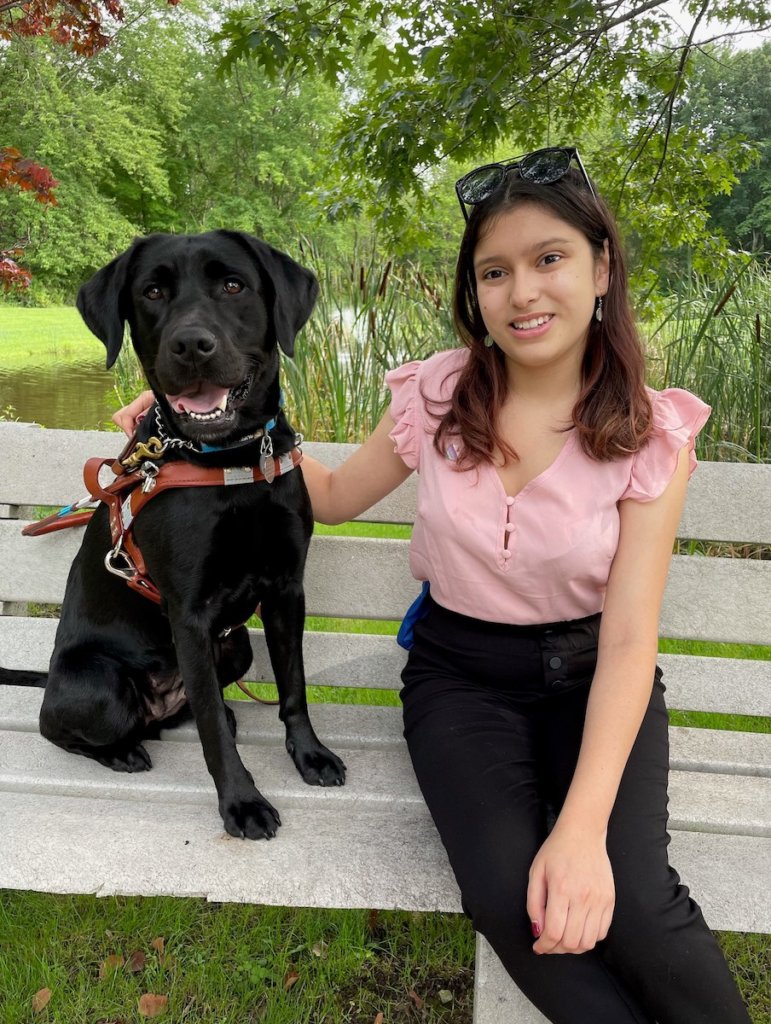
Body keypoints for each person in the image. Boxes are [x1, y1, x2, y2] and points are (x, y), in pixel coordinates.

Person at [114, 146, 751, 1024]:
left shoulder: (649, 432)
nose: (522, 291)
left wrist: (579, 835)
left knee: (633, 902)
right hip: (460, 681)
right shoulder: (440, 393)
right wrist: (190, 434)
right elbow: (329, 499)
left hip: (596, 680)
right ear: (474, 291)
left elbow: (631, 638)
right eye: (495, 271)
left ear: (602, 267)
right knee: (510, 900)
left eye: (549, 259)